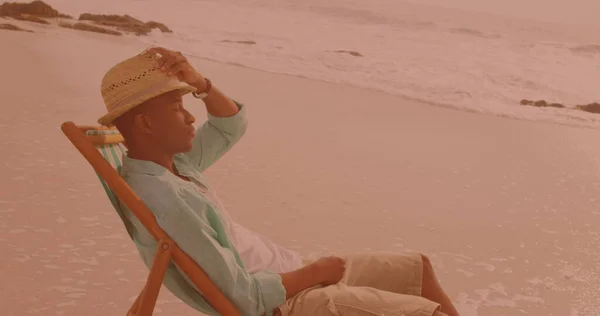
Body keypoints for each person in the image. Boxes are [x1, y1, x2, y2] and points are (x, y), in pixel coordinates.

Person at [97, 46, 460, 316]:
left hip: (290, 277)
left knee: (417, 268)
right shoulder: (166, 200)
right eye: (178, 108)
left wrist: (200, 83)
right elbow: (242, 296)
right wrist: (315, 272)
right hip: (286, 304)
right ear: (145, 125)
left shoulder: (171, 166)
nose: (191, 118)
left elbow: (229, 125)